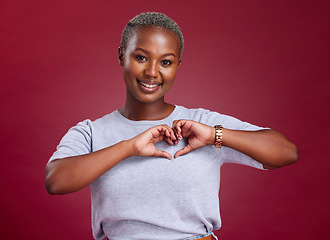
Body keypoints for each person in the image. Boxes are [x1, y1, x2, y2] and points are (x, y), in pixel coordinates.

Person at [45, 12, 298, 240]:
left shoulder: (202, 124)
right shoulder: (91, 132)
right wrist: (129, 147)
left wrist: (213, 135)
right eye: (141, 57)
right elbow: (56, 181)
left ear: (177, 65)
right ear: (122, 55)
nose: (152, 72)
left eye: (166, 62)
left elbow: (286, 152)